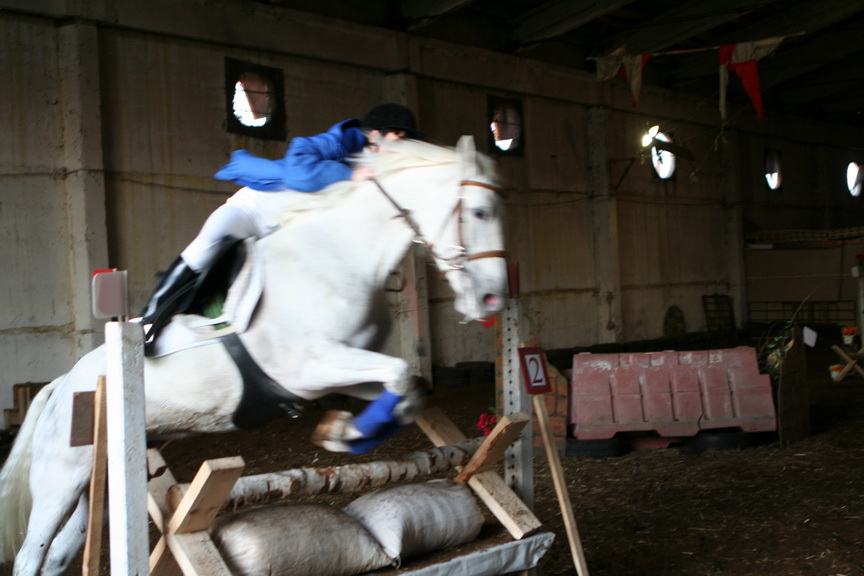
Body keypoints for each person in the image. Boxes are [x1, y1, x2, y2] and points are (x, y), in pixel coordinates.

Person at [139, 102, 421, 337]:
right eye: (399, 137)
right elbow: (298, 172)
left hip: (287, 235)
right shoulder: (337, 142)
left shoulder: (383, 173)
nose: (403, 147)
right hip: (251, 211)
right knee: (207, 245)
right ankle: (149, 319)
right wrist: (350, 175)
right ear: (375, 135)